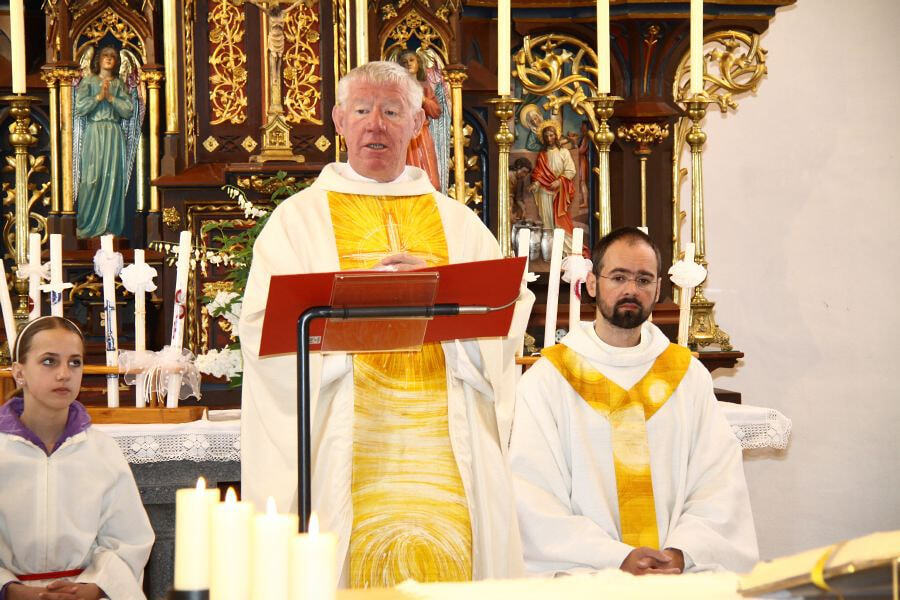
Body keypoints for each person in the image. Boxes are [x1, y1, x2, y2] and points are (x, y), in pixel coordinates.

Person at [239, 61, 532, 588]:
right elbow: (263, 333)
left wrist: (439, 294)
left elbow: (503, 320)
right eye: (362, 110)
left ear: (418, 124)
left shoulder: (459, 224)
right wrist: (358, 311)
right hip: (345, 439)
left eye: (393, 112)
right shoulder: (297, 222)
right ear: (339, 121)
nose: (376, 124)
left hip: (447, 442)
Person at [509, 227, 758, 576]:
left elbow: (718, 483)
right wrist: (615, 557)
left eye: (643, 279)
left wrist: (683, 552)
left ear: (658, 288)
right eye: (618, 277)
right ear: (592, 284)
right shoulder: (549, 379)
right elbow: (533, 494)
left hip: (677, 573)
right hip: (588, 574)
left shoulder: (687, 376)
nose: (631, 289)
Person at [0, 316, 154, 600]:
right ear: (19, 373)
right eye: (49, 361)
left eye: (74, 362)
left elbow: (129, 540)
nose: (64, 374)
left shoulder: (101, 450)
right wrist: (13, 591)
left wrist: (95, 587)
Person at [75, 45, 134, 238]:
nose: (109, 58)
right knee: (91, 179)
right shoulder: (89, 81)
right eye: (105, 55)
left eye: (113, 56)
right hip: (95, 132)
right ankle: (87, 227)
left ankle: (110, 227)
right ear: (98, 59)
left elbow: (128, 111)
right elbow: (80, 108)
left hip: (113, 134)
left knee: (112, 179)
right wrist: (98, 97)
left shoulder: (118, 84)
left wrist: (110, 98)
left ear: (116, 62)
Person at [398, 50, 443, 191]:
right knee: (406, 176)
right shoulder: (397, 87)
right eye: (404, 62)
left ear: (418, 63)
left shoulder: (424, 86)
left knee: (430, 175)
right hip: (404, 134)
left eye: (411, 60)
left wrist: (423, 100)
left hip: (422, 134)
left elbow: (436, 111)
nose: (408, 64)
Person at [531, 124, 576, 237]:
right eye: (546, 136)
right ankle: (549, 242)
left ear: (556, 136)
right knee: (547, 220)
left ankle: (563, 243)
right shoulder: (542, 155)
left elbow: (571, 170)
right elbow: (539, 173)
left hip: (560, 190)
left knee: (560, 219)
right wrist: (536, 184)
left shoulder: (564, 152)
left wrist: (559, 181)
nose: (549, 138)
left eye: (551, 135)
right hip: (544, 192)